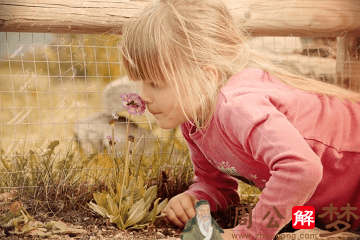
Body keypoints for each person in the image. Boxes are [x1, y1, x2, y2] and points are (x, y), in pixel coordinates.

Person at [119, 0, 360, 239]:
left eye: (155, 84)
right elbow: (219, 187)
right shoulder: (193, 121)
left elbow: (301, 168)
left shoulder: (238, 106)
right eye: (141, 82)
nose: (143, 96)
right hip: (334, 213)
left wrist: (248, 234)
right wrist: (196, 197)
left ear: (207, 77)